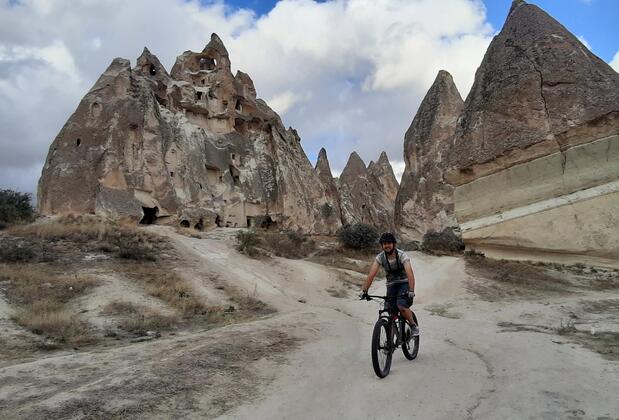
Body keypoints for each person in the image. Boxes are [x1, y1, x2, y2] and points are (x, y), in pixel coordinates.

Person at [360, 232, 420, 336]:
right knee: (389, 310)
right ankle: (391, 340)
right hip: (391, 284)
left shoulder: (402, 255)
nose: (386, 246)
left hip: (404, 283)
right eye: (384, 244)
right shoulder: (380, 257)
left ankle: (413, 325)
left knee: (401, 306)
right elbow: (371, 275)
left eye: (389, 243)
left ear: (394, 244)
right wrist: (364, 291)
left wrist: (411, 290)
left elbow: (410, 273)